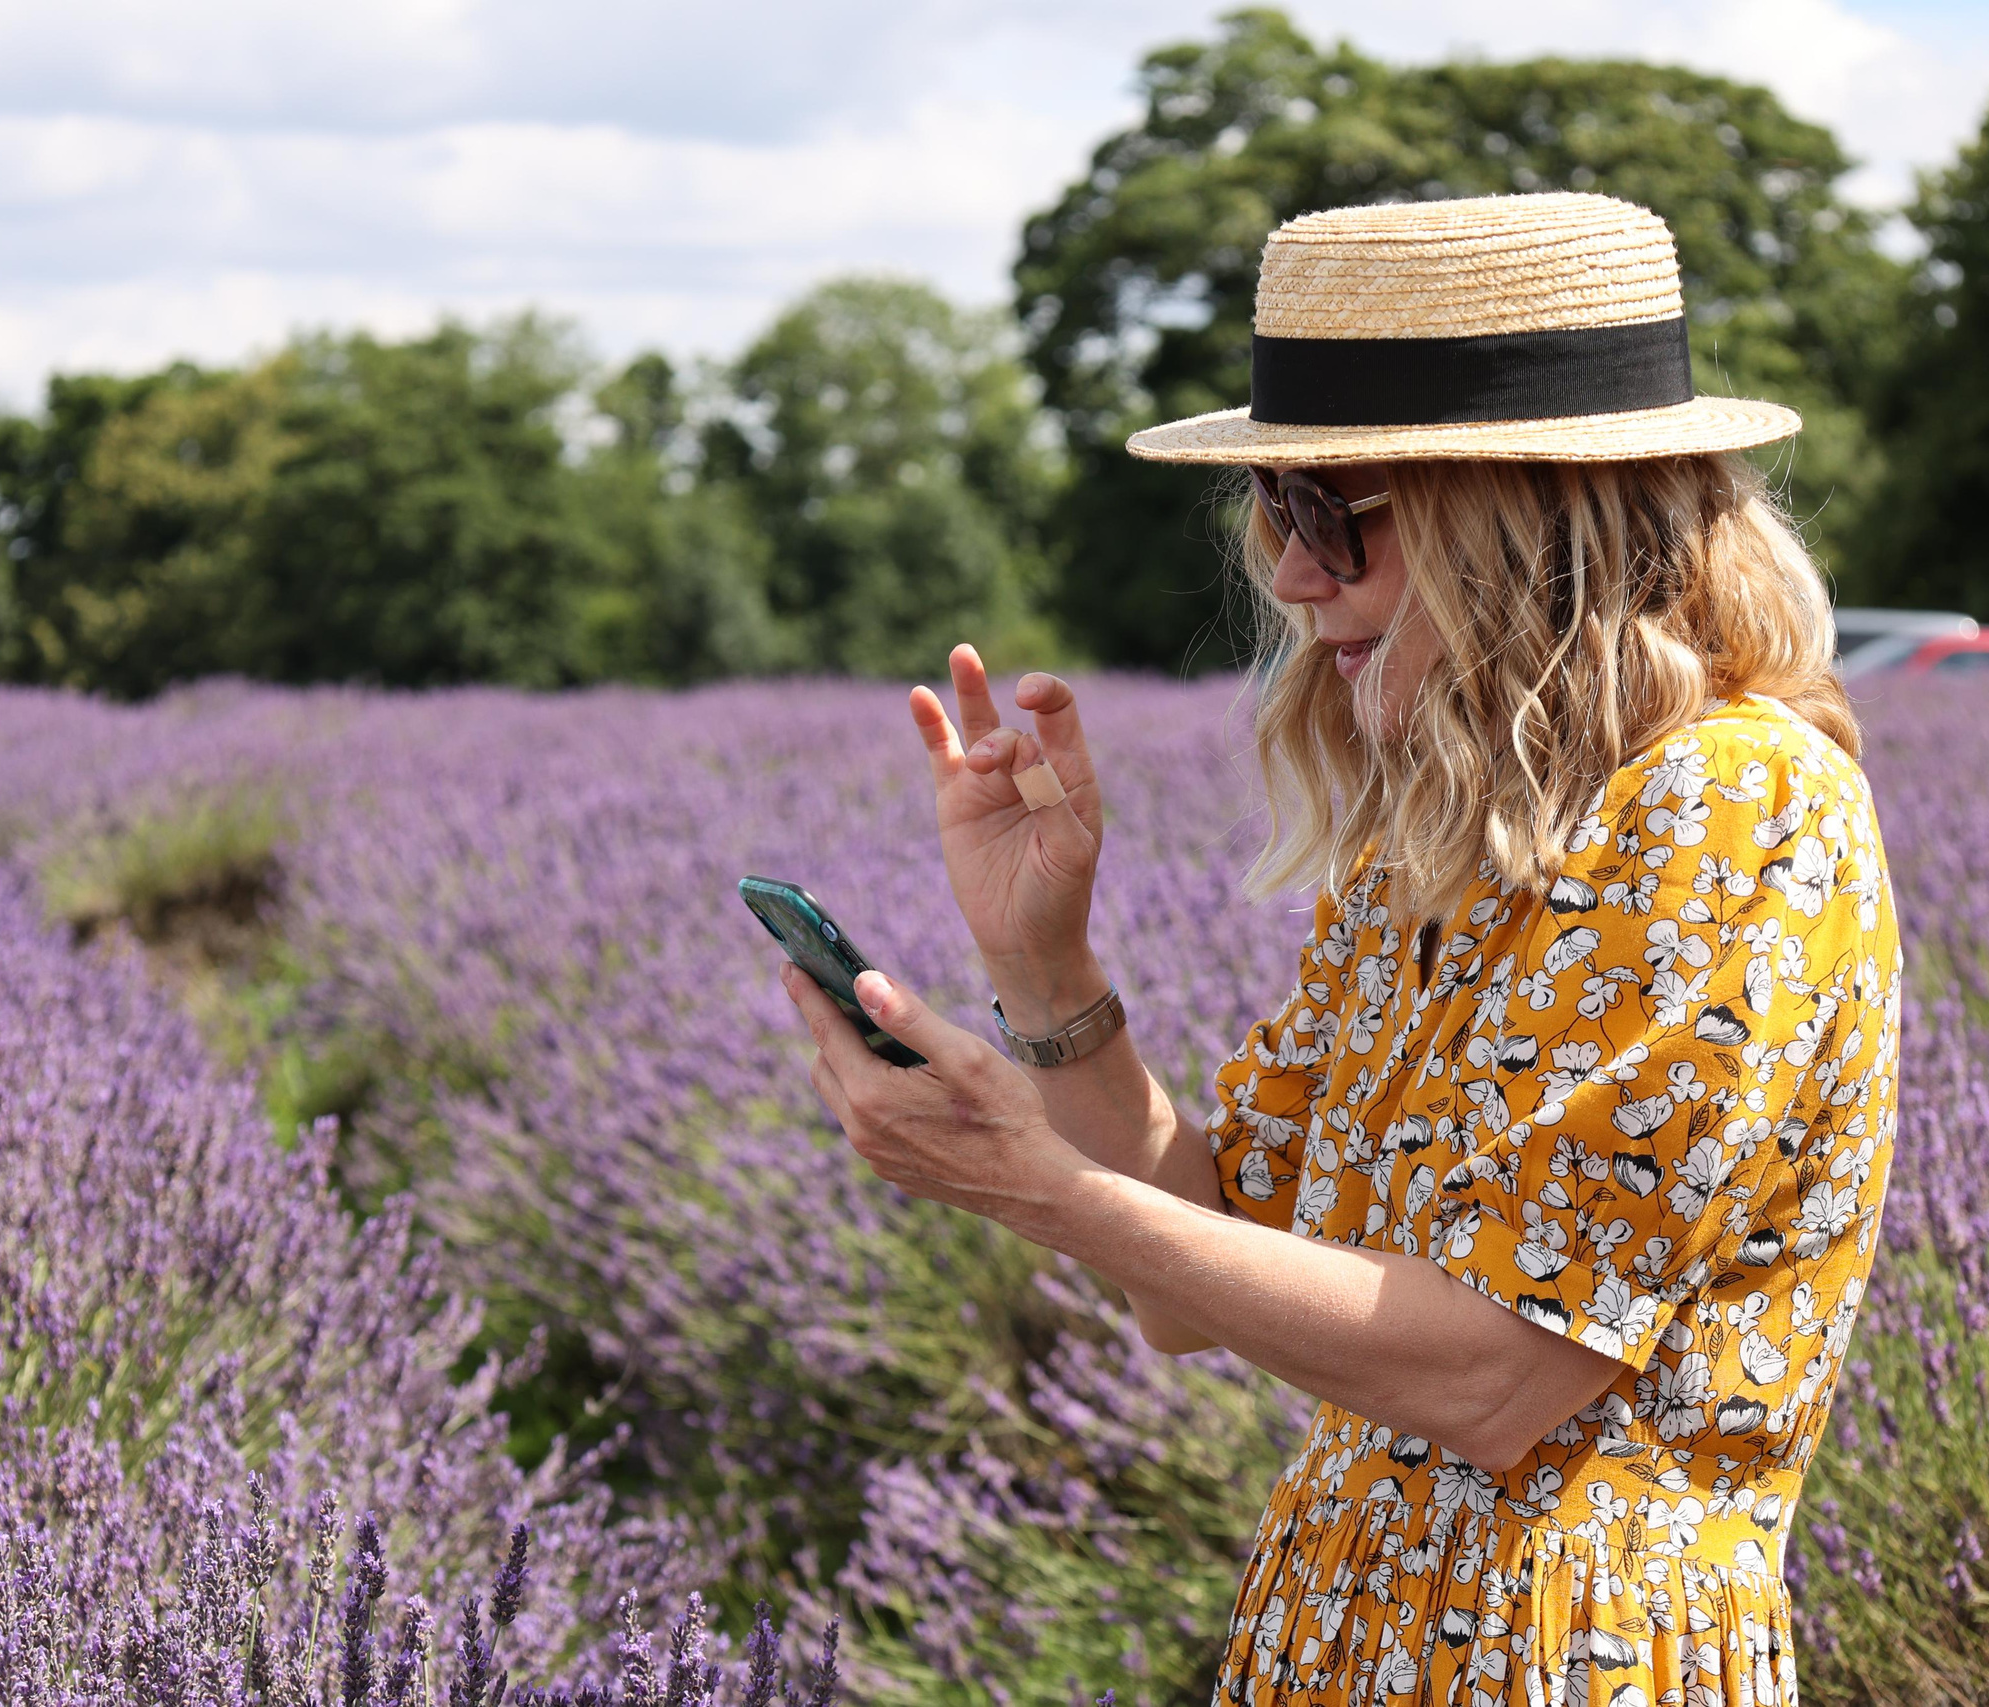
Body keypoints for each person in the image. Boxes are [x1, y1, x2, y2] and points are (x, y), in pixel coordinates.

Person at [778, 193, 1900, 1707]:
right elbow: (1195, 1272)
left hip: (1575, 1658)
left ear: (1524, 517)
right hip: (1346, 1637)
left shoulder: (1734, 803)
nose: (1293, 580)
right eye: (1274, 515)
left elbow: (1499, 1378)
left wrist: (1040, 1191)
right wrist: (1045, 966)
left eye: (1328, 513)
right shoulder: (1447, 833)